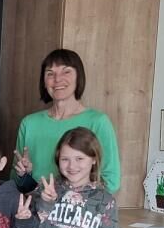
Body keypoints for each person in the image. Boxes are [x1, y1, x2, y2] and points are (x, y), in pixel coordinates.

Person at [12, 49, 121, 194]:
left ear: (78, 77)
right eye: (50, 73)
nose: (57, 79)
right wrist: (24, 175)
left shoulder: (98, 122)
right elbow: (15, 181)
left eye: (66, 72)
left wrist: (67, 202)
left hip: (80, 208)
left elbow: (111, 181)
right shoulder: (29, 123)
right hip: (35, 205)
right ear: (44, 82)